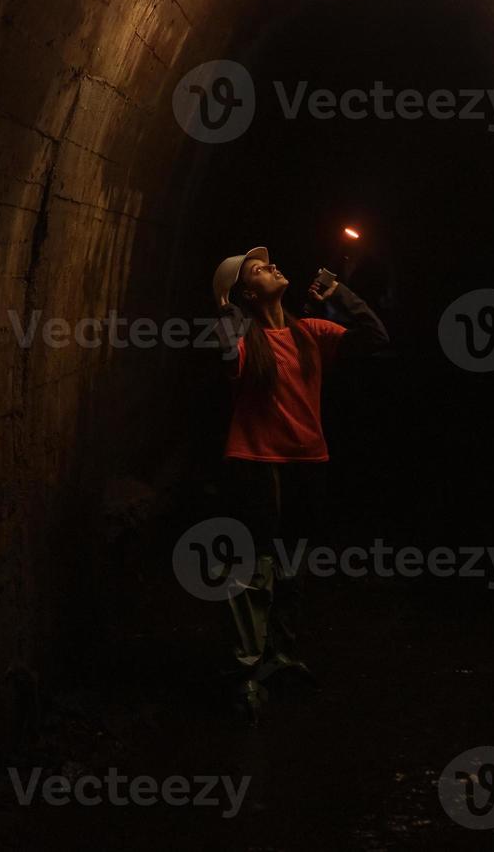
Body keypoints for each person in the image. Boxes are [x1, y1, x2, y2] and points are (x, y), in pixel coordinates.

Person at [210, 245, 389, 720]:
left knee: (290, 567)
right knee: (255, 573)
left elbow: (374, 338)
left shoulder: (311, 333)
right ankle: (245, 673)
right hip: (255, 462)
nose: (271, 266)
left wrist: (341, 294)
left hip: (307, 462)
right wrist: (225, 307)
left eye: (268, 262)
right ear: (247, 291)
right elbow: (227, 356)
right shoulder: (246, 340)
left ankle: (281, 660)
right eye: (257, 269)